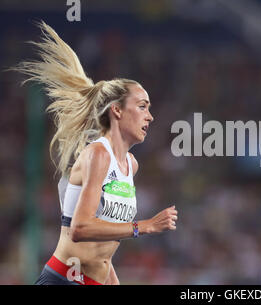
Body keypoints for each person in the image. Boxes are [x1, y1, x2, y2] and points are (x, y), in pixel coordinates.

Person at [13, 21, 178, 285]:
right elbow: (80, 229)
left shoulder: (131, 165)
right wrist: (144, 226)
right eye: (143, 106)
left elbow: (105, 248)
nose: (150, 116)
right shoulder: (98, 155)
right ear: (117, 110)